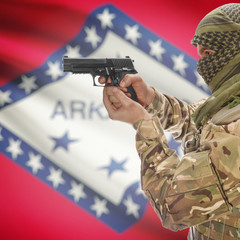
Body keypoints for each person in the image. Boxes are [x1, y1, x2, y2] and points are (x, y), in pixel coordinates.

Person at [99, 3, 240, 240]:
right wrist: (152, 100)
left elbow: (172, 207)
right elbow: (199, 124)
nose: (203, 65)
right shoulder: (230, 102)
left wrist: (143, 124)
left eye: (209, 54)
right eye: (200, 54)